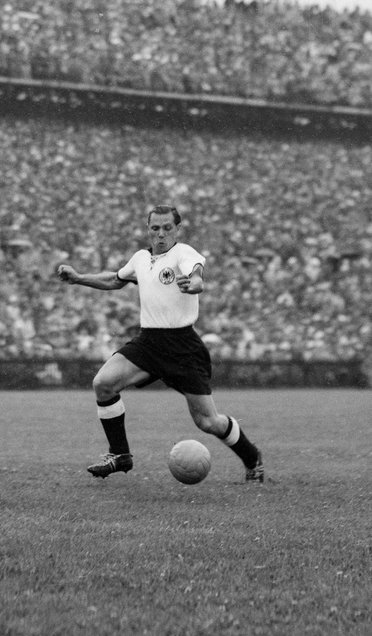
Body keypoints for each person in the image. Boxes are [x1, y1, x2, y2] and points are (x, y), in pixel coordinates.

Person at [55, 204, 264, 482]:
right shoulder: (141, 258)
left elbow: (197, 271)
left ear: (177, 229)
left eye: (167, 228)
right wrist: (79, 278)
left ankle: (252, 459)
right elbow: (115, 280)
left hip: (182, 347)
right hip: (149, 342)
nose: (161, 234)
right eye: (155, 228)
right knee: (103, 384)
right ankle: (119, 454)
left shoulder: (182, 252)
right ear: (148, 230)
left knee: (207, 422)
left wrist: (196, 282)